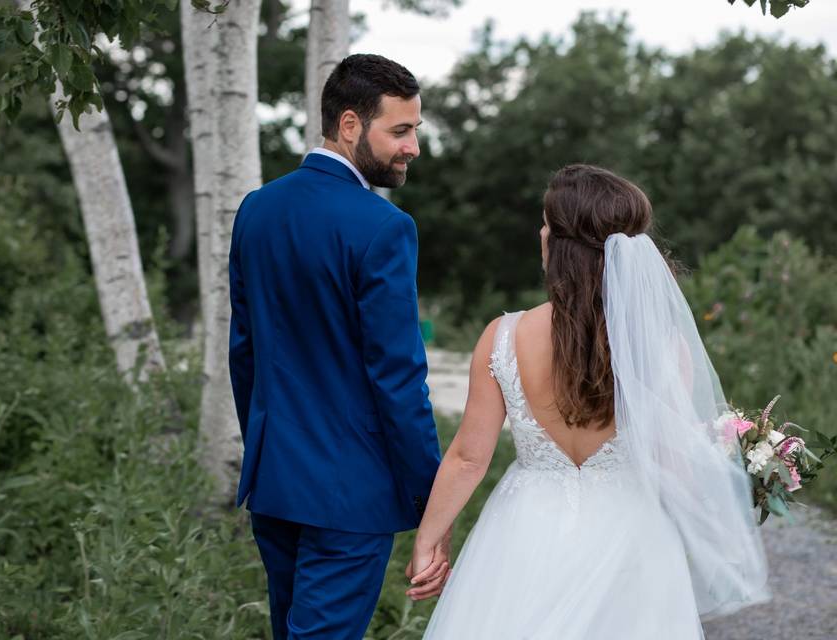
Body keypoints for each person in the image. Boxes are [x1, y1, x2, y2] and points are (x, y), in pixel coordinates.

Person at [408, 164, 770, 638]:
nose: (539, 232)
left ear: (561, 244)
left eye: (545, 223)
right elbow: (672, 461)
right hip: (631, 530)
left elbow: (468, 458)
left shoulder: (503, 337)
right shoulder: (661, 345)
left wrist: (429, 540)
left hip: (525, 530)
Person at [228, 54, 445, 639]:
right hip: (350, 493)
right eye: (400, 131)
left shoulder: (256, 210)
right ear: (350, 125)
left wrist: (268, 451)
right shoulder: (383, 228)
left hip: (275, 480)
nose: (412, 148)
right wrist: (433, 496)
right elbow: (399, 379)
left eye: (414, 131)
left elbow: (244, 351)